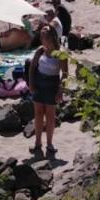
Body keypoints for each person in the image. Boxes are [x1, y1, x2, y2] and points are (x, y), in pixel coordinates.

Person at [28, 26, 67, 159]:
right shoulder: (40, 50)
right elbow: (32, 67)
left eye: (42, 37)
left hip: (52, 84)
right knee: (38, 114)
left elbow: (65, 74)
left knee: (50, 116)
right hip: (39, 83)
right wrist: (31, 84)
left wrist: (60, 90)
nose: (40, 39)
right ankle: (37, 142)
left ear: (50, 38)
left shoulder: (60, 53)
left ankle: (49, 144)